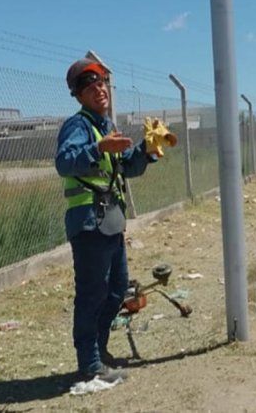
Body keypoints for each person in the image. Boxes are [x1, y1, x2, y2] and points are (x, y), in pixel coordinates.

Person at [55, 58, 172, 383]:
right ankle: (90, 363)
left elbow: (126, 169)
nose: (99, 88)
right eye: (89, 84)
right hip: (90, 223)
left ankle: (99, 351)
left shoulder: (105, 127)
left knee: (117, 289)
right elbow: (64, 162)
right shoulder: (78, 126)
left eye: (102, 81)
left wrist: (147, 150)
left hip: (110, 221)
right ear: (78, 95)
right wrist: (97, 147)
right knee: (92, 293)